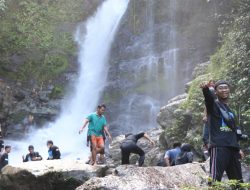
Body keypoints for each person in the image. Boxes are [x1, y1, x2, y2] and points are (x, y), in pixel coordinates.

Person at [201, 80, 243, 182]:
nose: (224, 90)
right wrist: (205, 89)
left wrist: (238, 148)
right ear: (215, 92)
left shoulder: (230, 110)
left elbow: (234, 131)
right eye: (220, 88)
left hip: (233, 148)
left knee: (238, 182)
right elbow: (208, 99)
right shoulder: (214, 106)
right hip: (219, 147)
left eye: (226, 87)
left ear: (229, 90)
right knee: (215, 180)